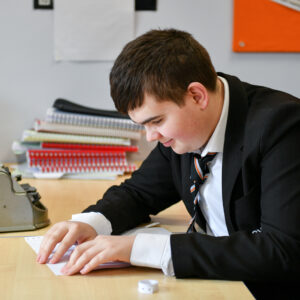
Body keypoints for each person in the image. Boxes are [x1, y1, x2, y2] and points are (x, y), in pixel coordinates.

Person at [37, 29, 300, 299]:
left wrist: (141, 249)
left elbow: (281, 249)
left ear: (197, 96)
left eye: (157, 121)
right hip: (217, 283)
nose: (151, 136)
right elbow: (138, 193)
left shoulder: (282, 126)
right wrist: (90, 223)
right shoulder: (185, 131)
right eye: (144, 125)